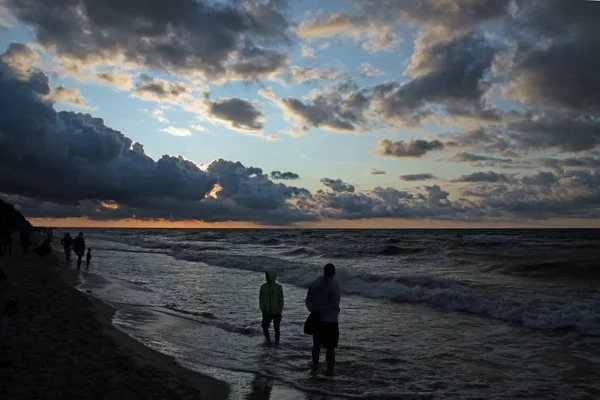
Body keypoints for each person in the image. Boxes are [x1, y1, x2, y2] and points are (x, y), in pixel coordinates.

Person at [305, 263, 340, 373]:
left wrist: (314, 310)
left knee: (316, 346)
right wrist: (323, 310)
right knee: (330, 348)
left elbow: (308, 301)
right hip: (330, 321)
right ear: (333, 273)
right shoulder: (334, 286)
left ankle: (314, 367)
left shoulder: (314, 284)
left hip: (317, 319)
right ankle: (330, 370)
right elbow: (334, 304)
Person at [259, 270, 284, 345]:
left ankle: (277, 342)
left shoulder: (279, 287)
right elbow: (261, 298)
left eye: (267, 276)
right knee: (264, 327)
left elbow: (281, 300)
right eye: (266, 276)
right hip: (266, 311)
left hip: (276, 312)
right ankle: (268, 340)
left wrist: (279, 311)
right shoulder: (263, 287)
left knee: (277, 328)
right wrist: (262, 309)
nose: (266, 278)